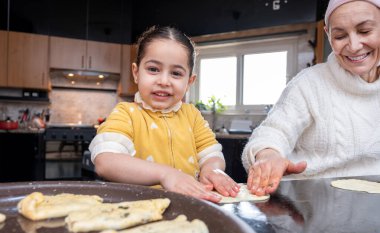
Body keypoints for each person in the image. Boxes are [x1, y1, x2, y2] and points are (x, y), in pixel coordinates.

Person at [242, 0, 380, 196]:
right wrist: (269, 155)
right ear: (328, 36)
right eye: (340, 35)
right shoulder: (309, 83)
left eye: (365, 31)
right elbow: (273, 132)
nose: (354, 46)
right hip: (312, 208)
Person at [89, 26, 239, 202]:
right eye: (153, 69)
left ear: (189, 81)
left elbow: (212, 155)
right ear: (136, 73)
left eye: (176, 73)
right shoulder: (125, 114)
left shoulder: (192, 116)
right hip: (137, 210)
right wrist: (165, 174)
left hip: (190, 208)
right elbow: (106, 161)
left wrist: (212, 169)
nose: (163, 81)